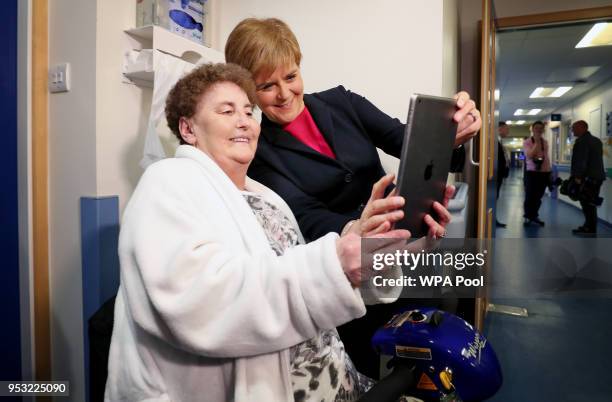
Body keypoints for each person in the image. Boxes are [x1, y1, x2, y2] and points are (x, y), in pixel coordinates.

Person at [104, 63, 453, 402]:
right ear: (189, 129)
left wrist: (389, 250)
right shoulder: (167, 181)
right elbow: (205, 301)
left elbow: (313, 285)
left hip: (343, 378)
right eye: (227, 111)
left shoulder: (263, 196)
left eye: (247, 111)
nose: (244, 121)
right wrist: (339, 260)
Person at [224, 17, 482, 378]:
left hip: (409, 247)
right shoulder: (259, 152)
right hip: (352, 280)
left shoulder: (342, 102)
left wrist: (454, 129)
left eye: (291, 76)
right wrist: (356, 227)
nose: (284, 94)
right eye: (267, 85)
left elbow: (408, 140)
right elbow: (305, 216)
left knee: (429, 359)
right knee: (369, 372)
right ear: (248, 90)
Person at [570, 120, 605, 236]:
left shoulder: (582, 142)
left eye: (574, 128)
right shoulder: (596, 141)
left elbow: (582, 160)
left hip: (588, 177)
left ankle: (589, 227)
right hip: (597, 177)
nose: (572, 130)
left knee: (586, 203)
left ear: (582, 128)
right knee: (591, 202)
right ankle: (589, 226)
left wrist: (578, 176)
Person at [522, 121, 551, 226]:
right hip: (532, 173)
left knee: (539, 196)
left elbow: (546, 158)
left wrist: (549, 171)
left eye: (541, 128)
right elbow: (529, 155)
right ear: (532, 129)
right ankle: (528, 216)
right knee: (530, 196)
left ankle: (534, 215)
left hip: (544, 173)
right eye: (536, 128)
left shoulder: (546, 142)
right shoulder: (527, 142)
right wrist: (537, 142)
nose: (539, 130)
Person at [496, 122, 510, 228]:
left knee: (496, 197)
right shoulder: (495, 142)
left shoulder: (500, 141)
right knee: (494, 197)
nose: (508, 131)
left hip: (499, 174)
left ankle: (494, 219)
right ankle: (492, 220)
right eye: (506, 129)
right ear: (500, 129)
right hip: (496, 174)